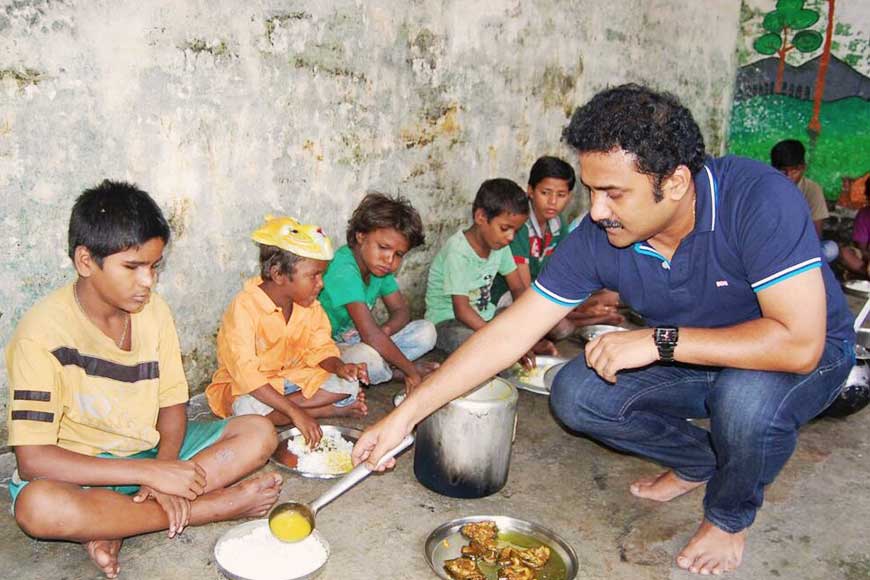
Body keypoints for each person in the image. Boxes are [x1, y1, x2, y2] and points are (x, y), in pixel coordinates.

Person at [353, 85, 855, 577]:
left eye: (614, 193)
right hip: (696, 357)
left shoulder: (757, 200)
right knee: (576, 393)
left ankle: (728, 516)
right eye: (592, 191)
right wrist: (405, 417)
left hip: (803, 357)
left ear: (675, 183)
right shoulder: (602, 234)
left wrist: (659, 341)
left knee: (744, 400)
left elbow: (798, 344)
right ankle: (700, 461)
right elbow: (510, 332)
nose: (595, 211)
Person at [6, 180, 282, 579]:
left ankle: (114, 522)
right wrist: (148, 474)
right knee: (39, 508)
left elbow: (172, 403)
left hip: (149, 450)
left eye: (154, 266)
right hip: (83, 470)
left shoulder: (155, 313)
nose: (148, 281)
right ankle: (210, 508)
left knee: (258, 432)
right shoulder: (40, 335)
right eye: (132, 267)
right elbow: (33, 460)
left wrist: (164, 466)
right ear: (86, 261)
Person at [205, 216, 368, 446]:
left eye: (322, 275)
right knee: (245, 409)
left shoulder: (310, 306)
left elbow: (321, 349)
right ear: (278, 274)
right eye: (313, 275)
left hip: (295, 380)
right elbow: (246, 374)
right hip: (253, 388)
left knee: (349, 383)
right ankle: (323, 410)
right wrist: (295, 411)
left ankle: (284, 413)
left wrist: (340, 367)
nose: (321, 283)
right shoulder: (244, 307)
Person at [490, 156, 623, 339]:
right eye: (545, 193)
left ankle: (581, 318)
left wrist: (580, 302)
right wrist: (577, 307)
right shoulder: (519, 225)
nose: (553, 201)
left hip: (542, 294)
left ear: (569, 197)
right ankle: (586, 320)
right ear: (530, 191)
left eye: (561, 195)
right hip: (512, 297)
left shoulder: (558, 223)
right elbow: (523, 290)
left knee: (610, 296)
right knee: (560, 327)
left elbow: (567, 273)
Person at [319, 193, 438, 394]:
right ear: (361, 236)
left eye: (398, 254)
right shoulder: (343, 269)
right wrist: (411, 371)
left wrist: (386, 331)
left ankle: (386, 368)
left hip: (358, 339)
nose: (389, 260)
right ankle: (394, 373)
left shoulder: (379, 268)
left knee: (427, 332)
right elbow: (370, 335)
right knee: (369, 358)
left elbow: (401, 310)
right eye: (383, 247)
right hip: (326, 349)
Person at [424, 178, 555, 359]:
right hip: (448, 322)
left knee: (516, 321)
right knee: (482, 348)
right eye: (505, 228)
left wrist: (527, 330)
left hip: (485, 316)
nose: (510, 237)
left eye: (516, 231)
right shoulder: (458, 251)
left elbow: (517, 287)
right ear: (481, 217)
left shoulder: (500, 246)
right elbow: (461, 310)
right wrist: (498, 339)